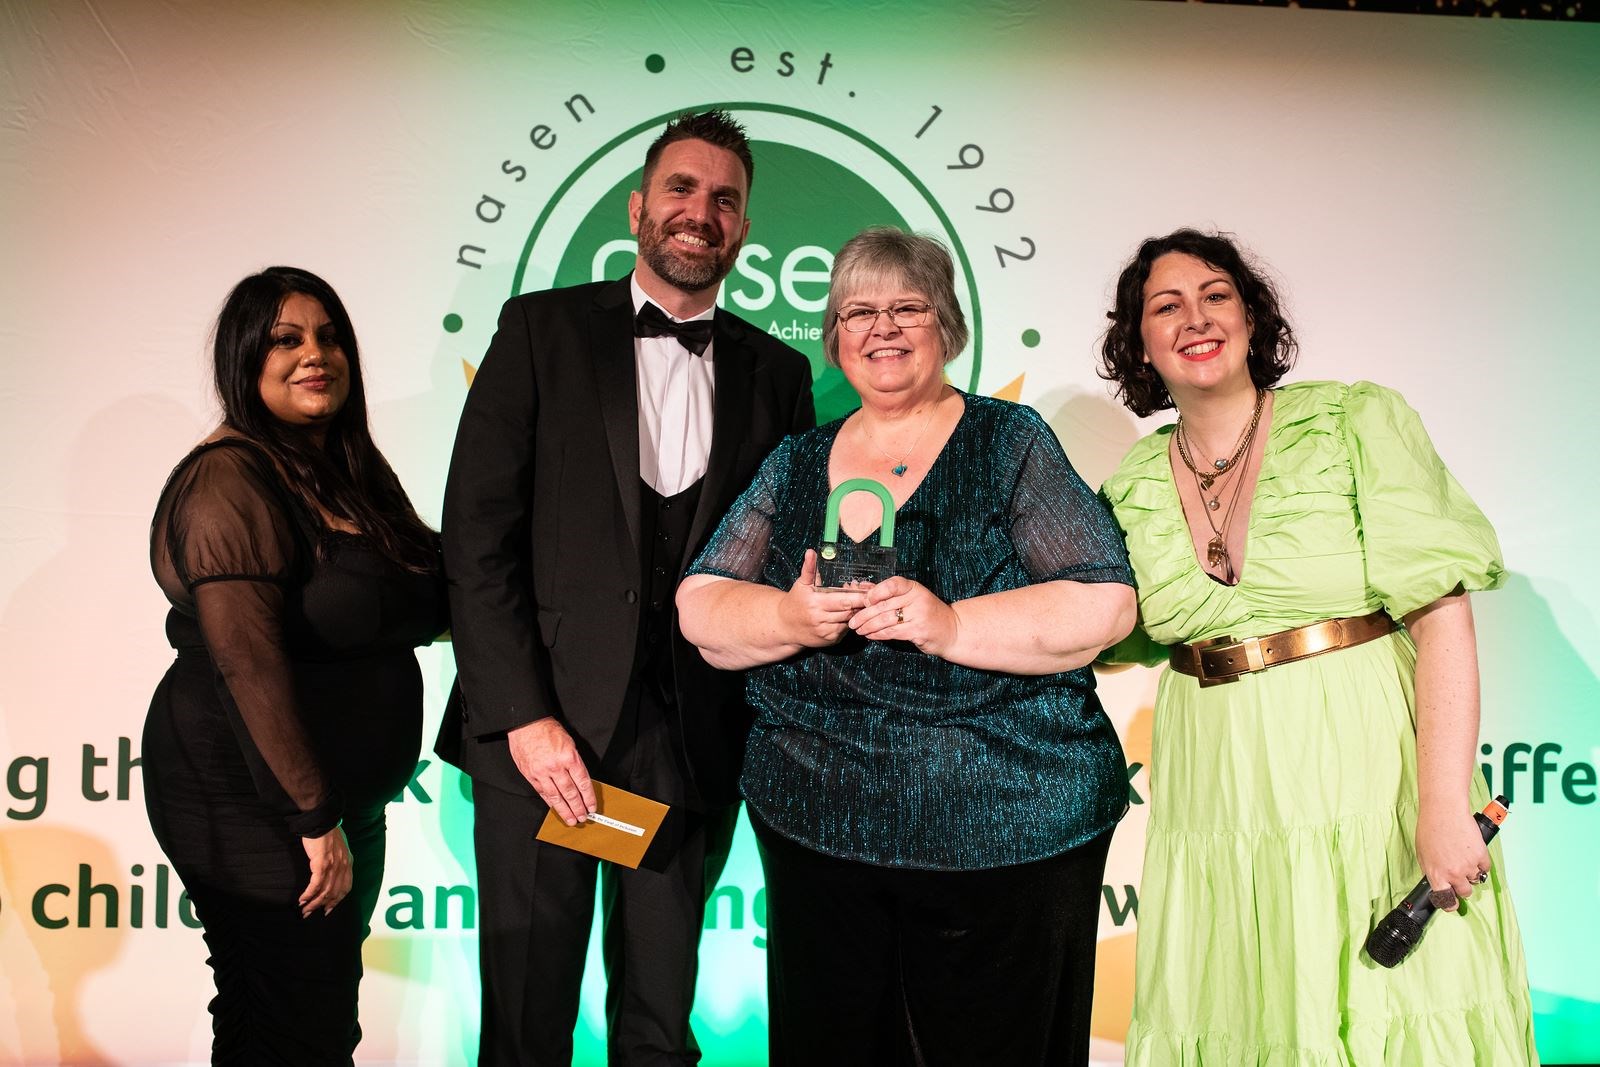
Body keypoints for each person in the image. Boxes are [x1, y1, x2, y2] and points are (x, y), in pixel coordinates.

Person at [676, 226, 1137, 1066]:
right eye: (859, 312)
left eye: (906, 308)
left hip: (1005, 826)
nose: (881, 328)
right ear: (835, 339)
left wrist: (951, 624)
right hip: (818, 827)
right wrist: (789, 617)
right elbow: (701, 604)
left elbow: (1104, 602)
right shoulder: (797, 459)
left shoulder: (1010, 442)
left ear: (947, 325)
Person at [1096, 229, 1538, 1064]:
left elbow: (1443, 616)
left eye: (1216, 295)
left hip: (1368, 772)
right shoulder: (1130, 485)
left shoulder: (1353, 419)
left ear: (1253, 317)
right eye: (1167, 306)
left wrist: (1443, 806)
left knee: (1390, 1017)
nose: (1196, 317)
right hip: (1216, 792)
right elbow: (1098, 628)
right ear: (1141, 344)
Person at [436, 109, 814, 1065]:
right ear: (639, 207)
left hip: (688, 740)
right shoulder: (539, 331)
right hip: (542, 739)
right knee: (527, 1024)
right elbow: (477, 539)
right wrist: (521, 714)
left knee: (658, 1023)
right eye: (682, 190)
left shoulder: (780, 372)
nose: (701, 212)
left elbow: (780, 564)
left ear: (744, 229)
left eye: (725, 199)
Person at [143, 266, 446, 1064]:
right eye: (286, 338)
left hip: (336, 799)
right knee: (298, 1022)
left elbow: (426, 590)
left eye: (329, 335)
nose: (315, 354)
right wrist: (311, 816)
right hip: (257, 797)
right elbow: (247, 661)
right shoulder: (229, 478)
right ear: (245, 358)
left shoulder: (344, 469)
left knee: (286, 1010)